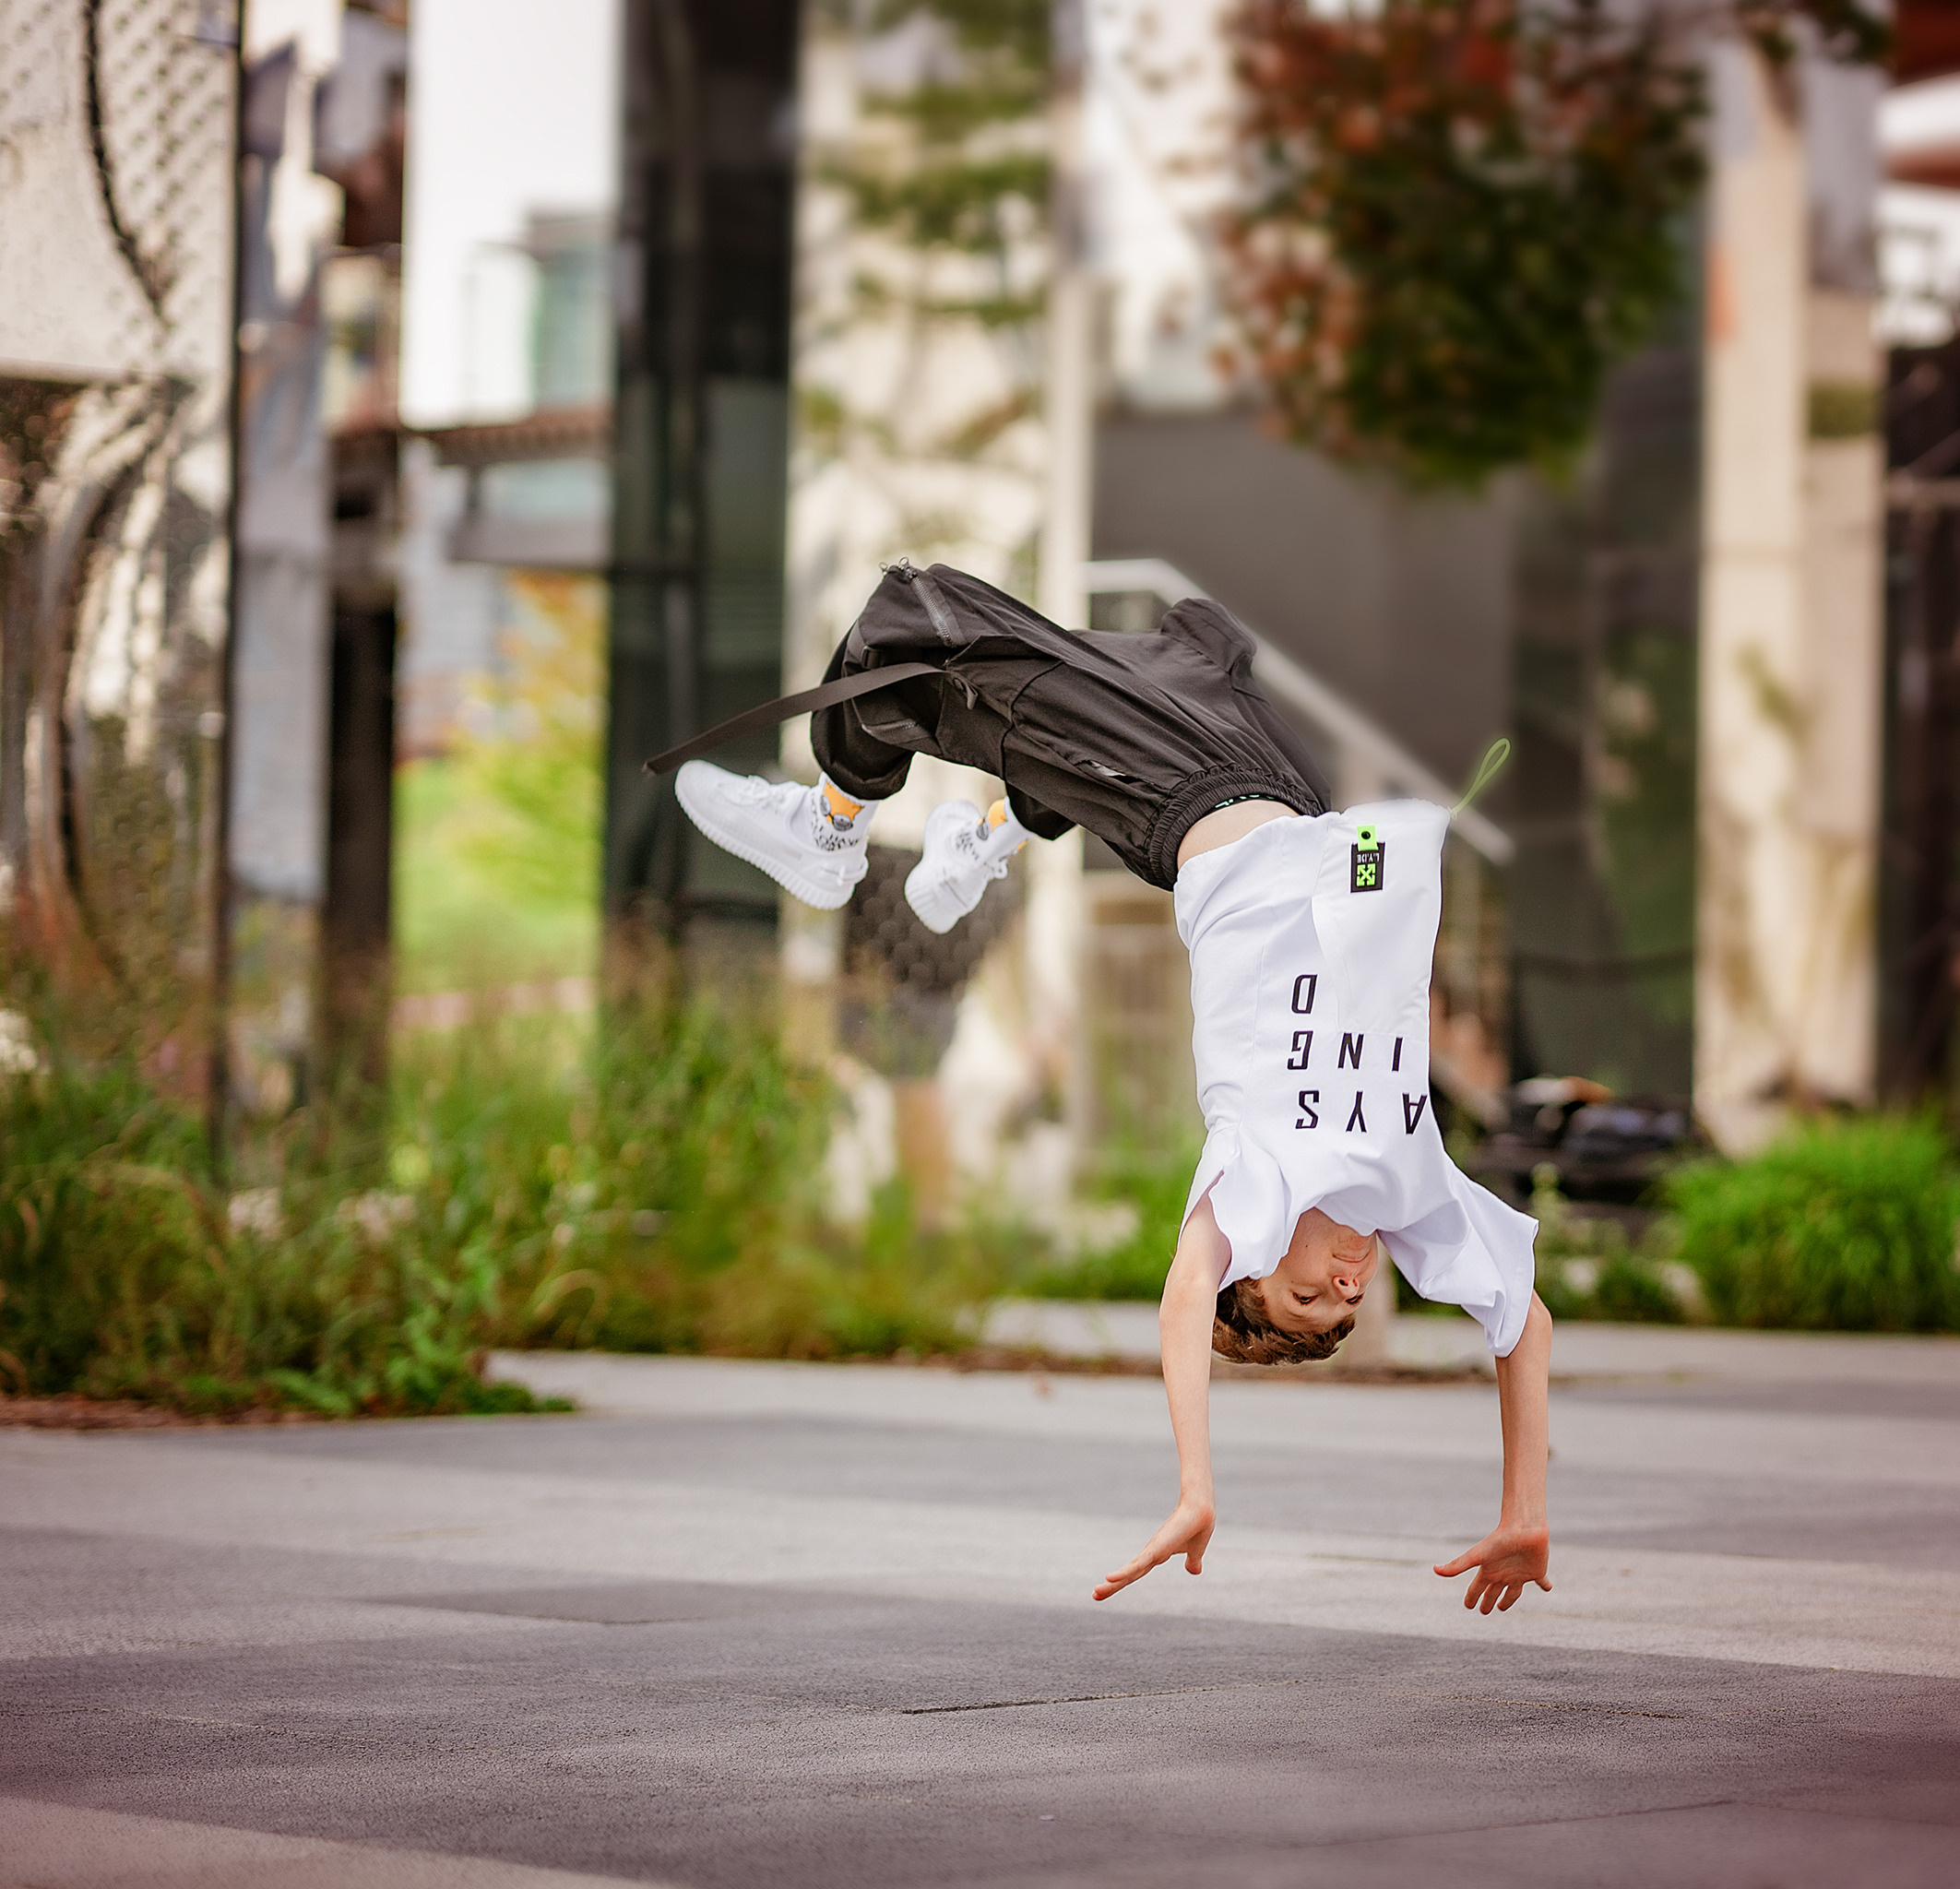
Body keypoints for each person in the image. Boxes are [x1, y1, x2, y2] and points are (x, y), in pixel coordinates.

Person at [663, 560, 1552, 1615]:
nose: (1346, 1286)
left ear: (1257, 1262)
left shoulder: (1254, 1186)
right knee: (1196, 643)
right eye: (1342, 1307)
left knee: (915, 621)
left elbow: (1185, 1300)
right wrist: (1524, 1503)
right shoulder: (1412, 1192)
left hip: (1183, 805)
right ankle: (985, 842)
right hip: (1292, 807)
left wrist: (1195, 1481)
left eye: (1305, 1295)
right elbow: (1521, 1322)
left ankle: (833, 827)